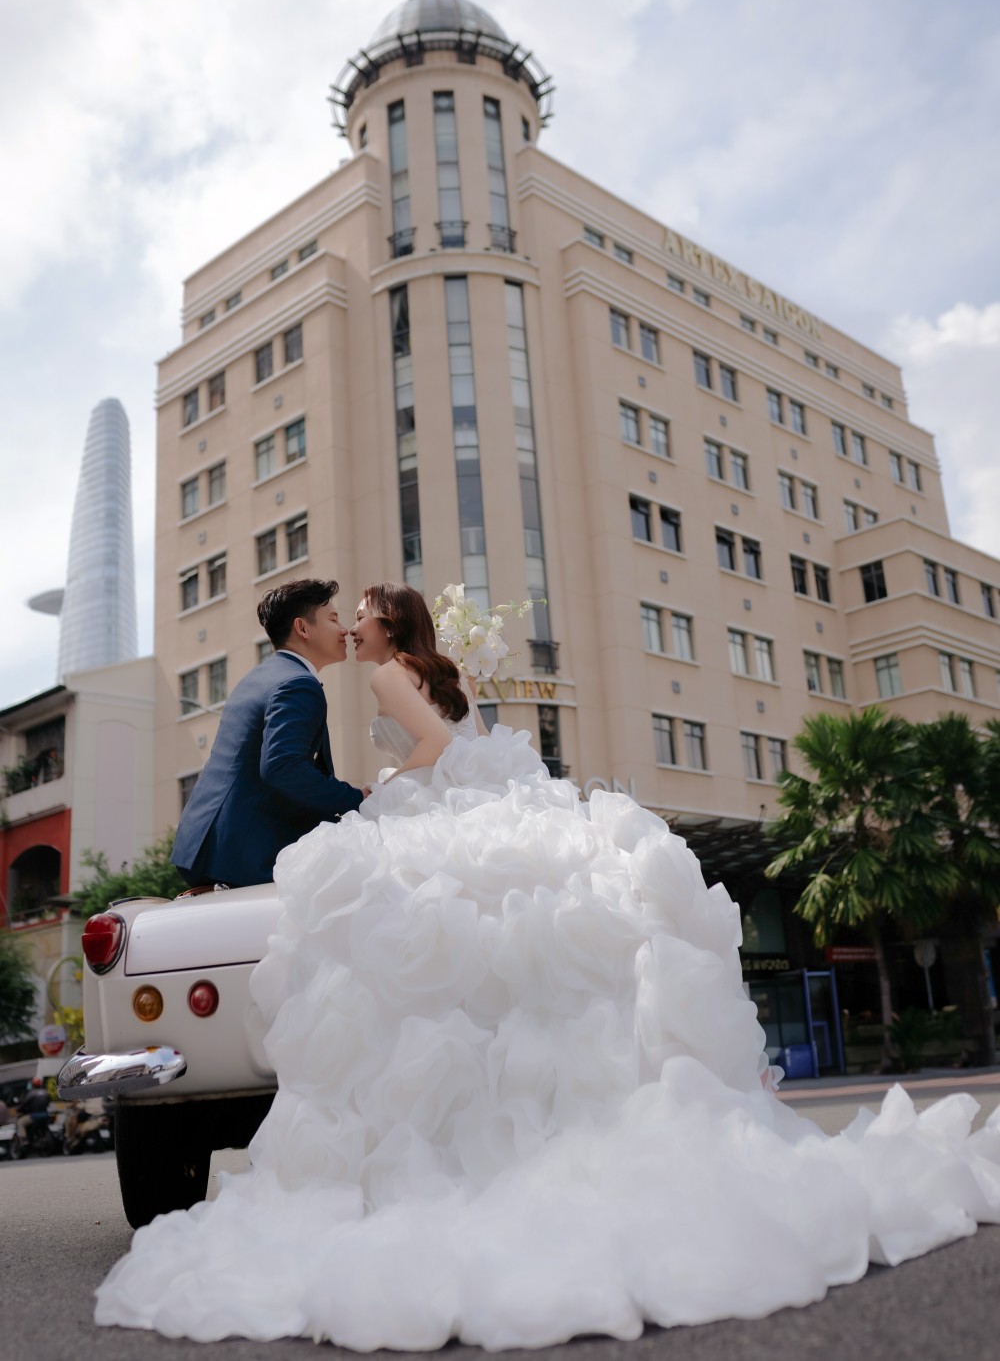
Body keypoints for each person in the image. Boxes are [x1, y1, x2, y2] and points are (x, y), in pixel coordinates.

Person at [96, 582, 1000, 1350]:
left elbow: (424, 751)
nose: (348, 624)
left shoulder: (368, 676)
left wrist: (378, 797)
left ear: (383, 628)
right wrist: (365, 799)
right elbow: (369, 754)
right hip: (329, 823)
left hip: (373, 810)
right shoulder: (357, 676)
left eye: (358, 614)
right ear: (310, 628)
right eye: (340, 615)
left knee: (416, 941)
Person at [172, 578, 367, 889]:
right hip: (244, 850)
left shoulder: (258, 677)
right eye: (333, 619)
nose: (344, 630)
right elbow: (283, 766)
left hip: (205, 843)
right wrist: (355, 798)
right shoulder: (297, 684)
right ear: (302, 628)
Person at [16, 1077, 51, 1142]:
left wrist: (19, 1108)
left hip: (34, 1116)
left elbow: (24, 1103)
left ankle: (24, 1140)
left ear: (33, 1085)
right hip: (45, 1115)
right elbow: (48, 1103)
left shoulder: (31, 1093)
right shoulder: (45, 1092)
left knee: (20, 1122)